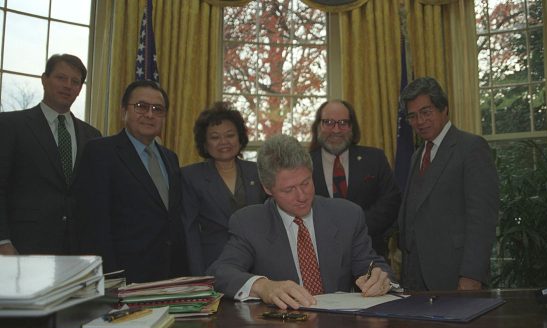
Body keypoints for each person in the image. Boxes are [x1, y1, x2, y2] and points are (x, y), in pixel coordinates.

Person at [207, 134, 394, 310]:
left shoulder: (347, 215)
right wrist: (263, 286)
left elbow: (370, 264)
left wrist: (379, 277)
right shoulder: (249, 223)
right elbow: (220, 272)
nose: (302, 196)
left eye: (306, 183)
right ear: (267, 188)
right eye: (288, 190)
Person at [75, 80, 188, 283]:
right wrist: (110, 281)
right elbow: (93, 226)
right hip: (123, 278)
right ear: (123, 111)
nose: (150, 114)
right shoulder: (100, 152)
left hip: (170, 278)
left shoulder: (170, 158)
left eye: (158, 109)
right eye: (141, 106)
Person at [397, 77, 499, 291]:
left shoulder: (471, 148)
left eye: (426, 112)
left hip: (454, 276)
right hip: (414, 279)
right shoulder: (418, 155)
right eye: (413, 116)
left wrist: (471, 275)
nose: (420, 122)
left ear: (444, 108)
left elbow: (482, 219)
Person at [0, 54, 101, 255]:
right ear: (45, 80)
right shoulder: (11, 125)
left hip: (77, 249)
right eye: (61, 78)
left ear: (80, 89)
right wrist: (2, 240)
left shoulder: (92, 136)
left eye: (75, 81)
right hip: (23, 245)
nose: (68, 86)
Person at [309, 100, 401, 260]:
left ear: (352, 127)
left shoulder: (375, 158)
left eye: (343, 123)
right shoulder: (303, 165)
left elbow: (390, 202)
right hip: (318, 256)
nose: (336, 130)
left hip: (369, 253)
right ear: (318, 126)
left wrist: (353, 227)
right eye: (328, 122)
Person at [181, 101, 266, 275]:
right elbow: (189, 233)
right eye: (214, 137)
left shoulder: (258, 172)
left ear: (240, 138)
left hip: (258, 265)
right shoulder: (190, 176)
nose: (223, 142)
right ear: (205, 143)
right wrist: (198, 277)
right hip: (213, 264)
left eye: (230, 135)